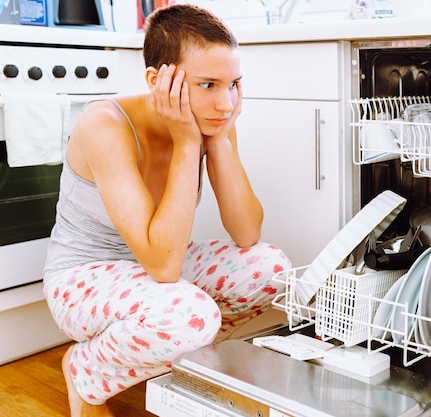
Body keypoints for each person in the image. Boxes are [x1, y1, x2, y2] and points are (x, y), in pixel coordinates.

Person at [42, 4, 291, 416]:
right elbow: (163, 268)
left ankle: (177, 361)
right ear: (158, 81)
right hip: (82, 277)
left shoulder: (214, 119)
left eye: (233, 85)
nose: (226, 103)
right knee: (189, 316)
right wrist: (188, 145)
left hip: (156, 266)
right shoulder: (105, 123)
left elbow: (247, 233)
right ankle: (87, 372)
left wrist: (220, 141)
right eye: (208, 84)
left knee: (270, 269)